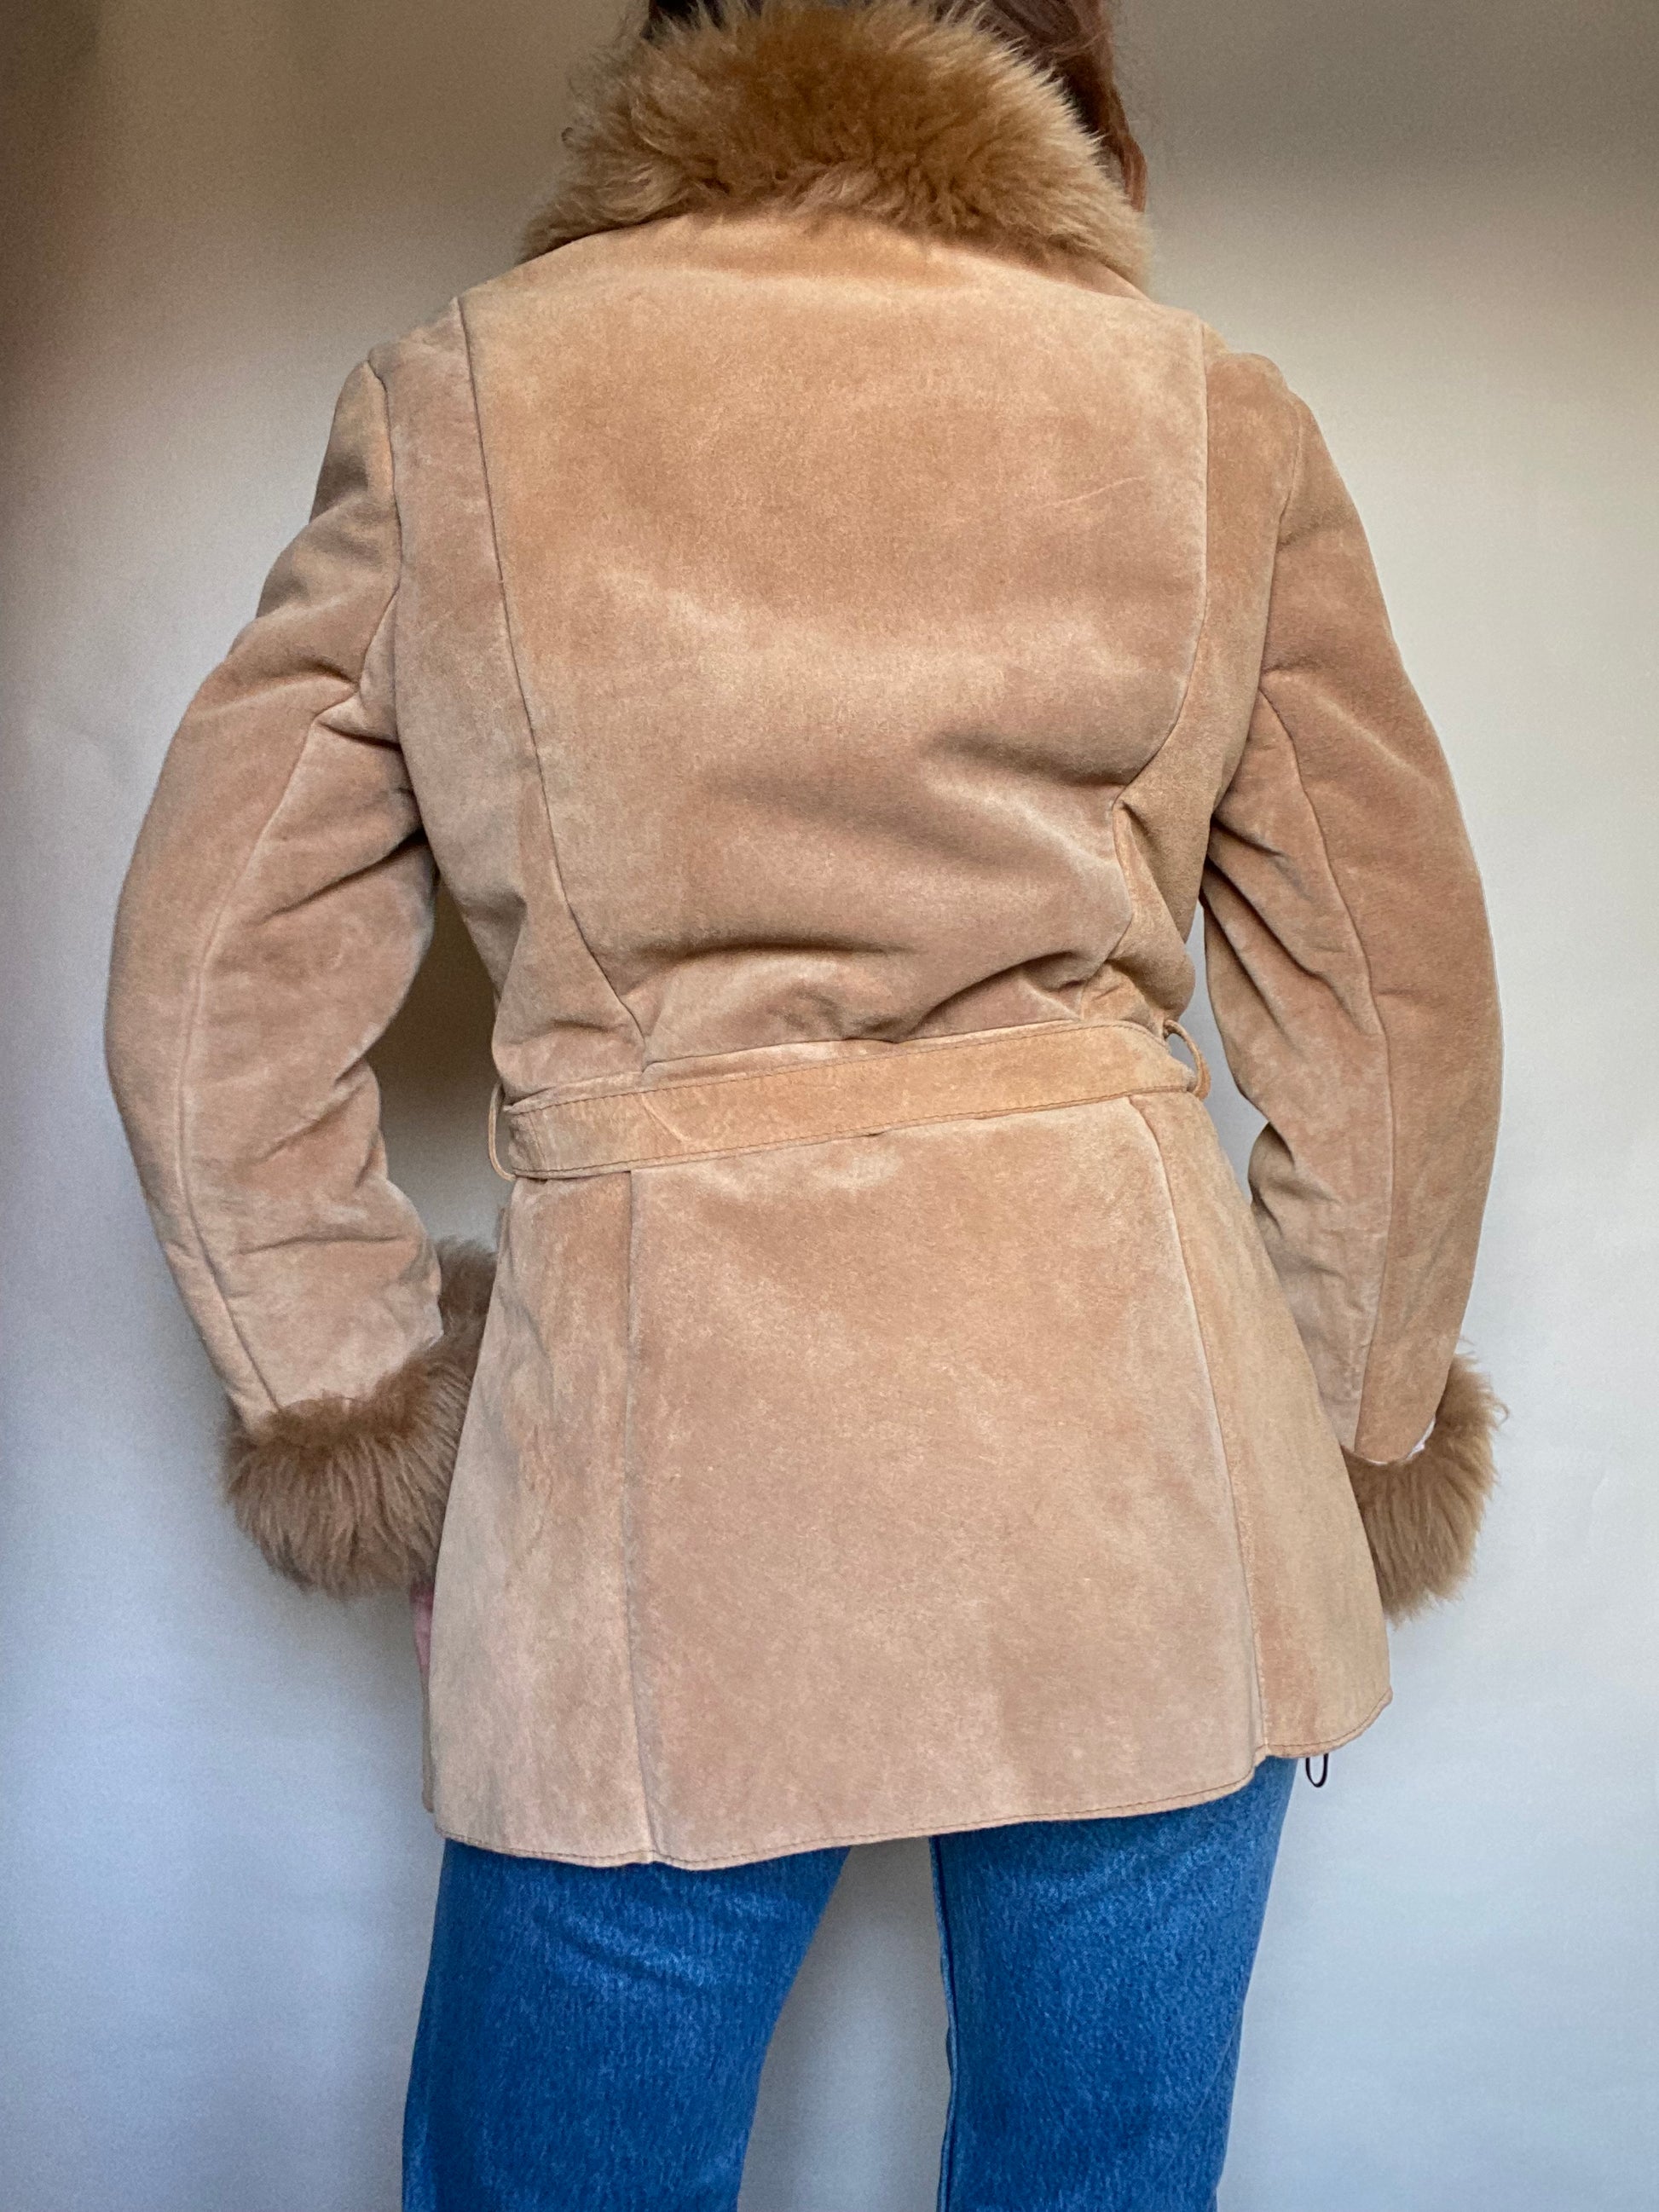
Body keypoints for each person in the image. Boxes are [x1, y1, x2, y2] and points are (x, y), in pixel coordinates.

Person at [105, 1, 1503, 2203]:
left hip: (651, 1492)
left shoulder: (472, 402)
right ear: (1053, 75)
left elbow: (207, 989)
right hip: (1143, 1488)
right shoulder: (1204, 421)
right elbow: (1399, 1010)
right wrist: (1335, 1433)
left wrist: (364, 1394)